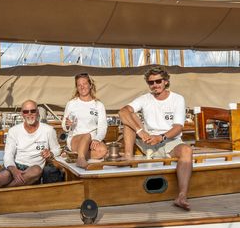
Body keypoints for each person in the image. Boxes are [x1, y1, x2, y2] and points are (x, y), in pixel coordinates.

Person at [119, 66, 194, 210]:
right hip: (147, 140)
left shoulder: (178, 99)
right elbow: (122, 111)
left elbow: (178, 127)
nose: (155, 85)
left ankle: (182, 196)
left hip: (168, 141)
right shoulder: (145, 99)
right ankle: (128, 156)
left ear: (166, 81)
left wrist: (161, 137)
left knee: (187, 150)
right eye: (151, 83)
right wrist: (142, 132)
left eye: (158, 81)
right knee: (127, 117)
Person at [0, 100, 64, 190]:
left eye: (32, 111)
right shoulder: (14, 131)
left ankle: (2, 191)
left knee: (37, 170)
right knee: (4, 175)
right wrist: (14, 170)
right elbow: (8, 155)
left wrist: (50, 153)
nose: (29, 114)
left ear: (37, 112)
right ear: (22, 114)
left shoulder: (48, 130)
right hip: (16, 165)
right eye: (26, 111)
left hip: (33, 169)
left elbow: (57, 149)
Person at [63, 72, 108, 168]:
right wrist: (68, 125)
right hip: (76, 138)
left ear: (90, 85)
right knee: (87, 135)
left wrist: (97, 139)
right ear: (77, 88)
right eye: (79, 85)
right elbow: (64, 125)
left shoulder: (98, 105)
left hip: (92, 139)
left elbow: (102, 127)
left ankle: (76, 155)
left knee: (103, 151)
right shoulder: (71, 103)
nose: (82, 87)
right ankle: (81, 159)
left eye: (84, 84)